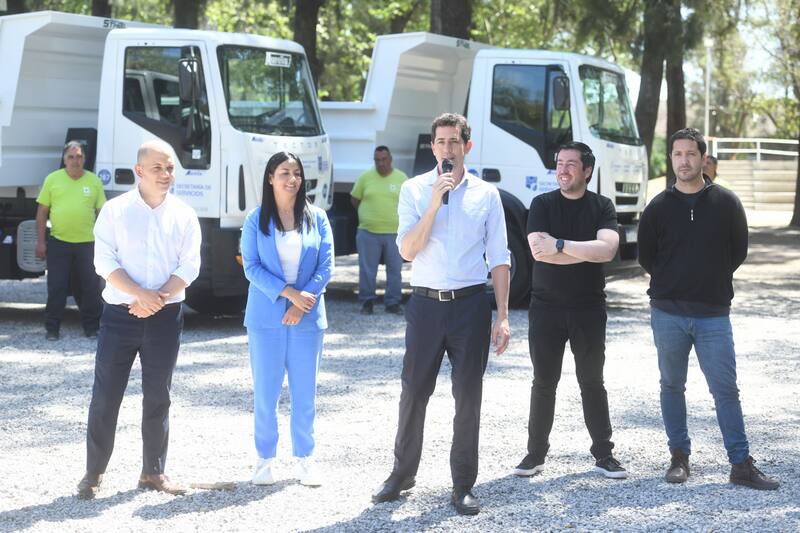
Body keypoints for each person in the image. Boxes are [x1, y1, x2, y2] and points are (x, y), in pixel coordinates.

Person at [371, 113, 511, 516]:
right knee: (414, 392)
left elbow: (499, 258)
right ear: (431, 147)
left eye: (454, 141)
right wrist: (434, 203)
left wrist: (502, 315)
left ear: (467, 146)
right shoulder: (414, 190)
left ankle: (463, 484)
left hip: (470, 305)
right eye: (440, 142)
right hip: (426, 306)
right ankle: (402, 474)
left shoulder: (487, 194)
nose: (447, 149)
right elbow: (406, 251)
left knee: (468, 397)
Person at [638, 127, 779, 490]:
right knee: (671, 385)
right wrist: (676, 282)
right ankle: (679, 457)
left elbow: (738, 252)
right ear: (671, 159)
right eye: (676, 154)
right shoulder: (657, 207)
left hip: (714, 313)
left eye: (690, 154)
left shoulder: (727, 203)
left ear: (704, 158)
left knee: (726, 390)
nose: (683, 161)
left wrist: (708, 280)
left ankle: (740, 464)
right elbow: (646, 257)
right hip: (667, 312)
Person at [76, 140, 201, 500]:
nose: (166, 174)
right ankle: (94, 473)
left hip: (165, 315)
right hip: (119, 316)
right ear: (139, 171)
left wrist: (156, 298)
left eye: (171, 168)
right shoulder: (115, 211)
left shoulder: (184, 214)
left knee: (158, 396)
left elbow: (189, 265)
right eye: (159, 168)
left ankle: (153, 472)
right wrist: (138, 294)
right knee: (105, 396)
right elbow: (104, 261)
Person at [513, 141, 628, 481]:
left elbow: (607, 251)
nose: (562, 170)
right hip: (545, 308)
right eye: (559, 163)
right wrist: (585, 250)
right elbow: (538, 252)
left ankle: (604, 455)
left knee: (592, 381)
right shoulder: (542, 204)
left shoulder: (602, 206)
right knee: (544, 382)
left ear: (587, 171)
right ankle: (534, 455)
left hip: (589, 308)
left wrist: (561, 245)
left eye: (571, 164)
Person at [241, 151, 334, 487]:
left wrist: (301, 302)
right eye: (284, 172)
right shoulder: (255, 219)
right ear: (270, 177)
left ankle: (305, 459)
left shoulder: (318, 217)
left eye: (296, 173)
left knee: (304, 392)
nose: (292, 179)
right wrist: (289, 294)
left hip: (308, 319)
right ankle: (264, 459)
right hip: (266, 319)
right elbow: (251, 266)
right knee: (265, 393)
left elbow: (327, 266)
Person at [35, 141, 106, 340]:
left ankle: (92, 328)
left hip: (88, 244)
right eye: (71, 157)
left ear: (84, 159)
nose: (75, 161)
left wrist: (105, 243)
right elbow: (41, 213)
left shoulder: (94, 181)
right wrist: (41, 242)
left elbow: (102, 214)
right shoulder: (53, 179)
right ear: (64, 159)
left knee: (90, 287)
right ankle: (52, 329)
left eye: (79, 157)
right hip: (59, 242)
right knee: (56, 287)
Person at [351, 146, 407, 315]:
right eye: (377, 160)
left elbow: (409, 203)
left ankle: (393, 303)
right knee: (367, 270)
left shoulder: (401, 178)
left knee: (395, 270)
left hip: (394, 233)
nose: (381, 163)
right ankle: (367, 302)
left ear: (390, 159)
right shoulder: (365, 177)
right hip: (368, 232)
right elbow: (355, 199)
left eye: (384, 159)